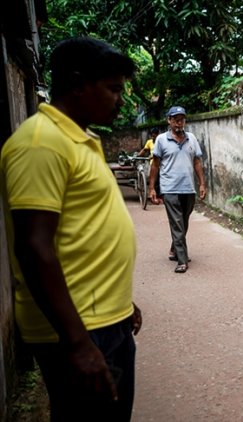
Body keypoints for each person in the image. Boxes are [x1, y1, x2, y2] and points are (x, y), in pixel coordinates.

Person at [0, 37, 142, 421]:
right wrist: (79, 344)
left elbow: (84, 230)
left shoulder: (80, 138)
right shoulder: (40, 144)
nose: (120, 99)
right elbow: (35, 248)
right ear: (79, 83)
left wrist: (120, 303)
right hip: (78, 330)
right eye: (113, 89)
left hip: (102, 319)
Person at [148, 106, 206, 273]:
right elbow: (155, 164)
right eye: (176, 119)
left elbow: (197, 162)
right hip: (170, 188)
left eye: (182, 119)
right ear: (169, 120)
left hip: (188, 188)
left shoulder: (192, 139)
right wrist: (152, 188)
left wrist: (202, 183)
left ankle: (174, 248)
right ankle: (182, 260)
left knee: (184, 222)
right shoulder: (161, 140)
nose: (179, 123)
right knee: (177, 224)